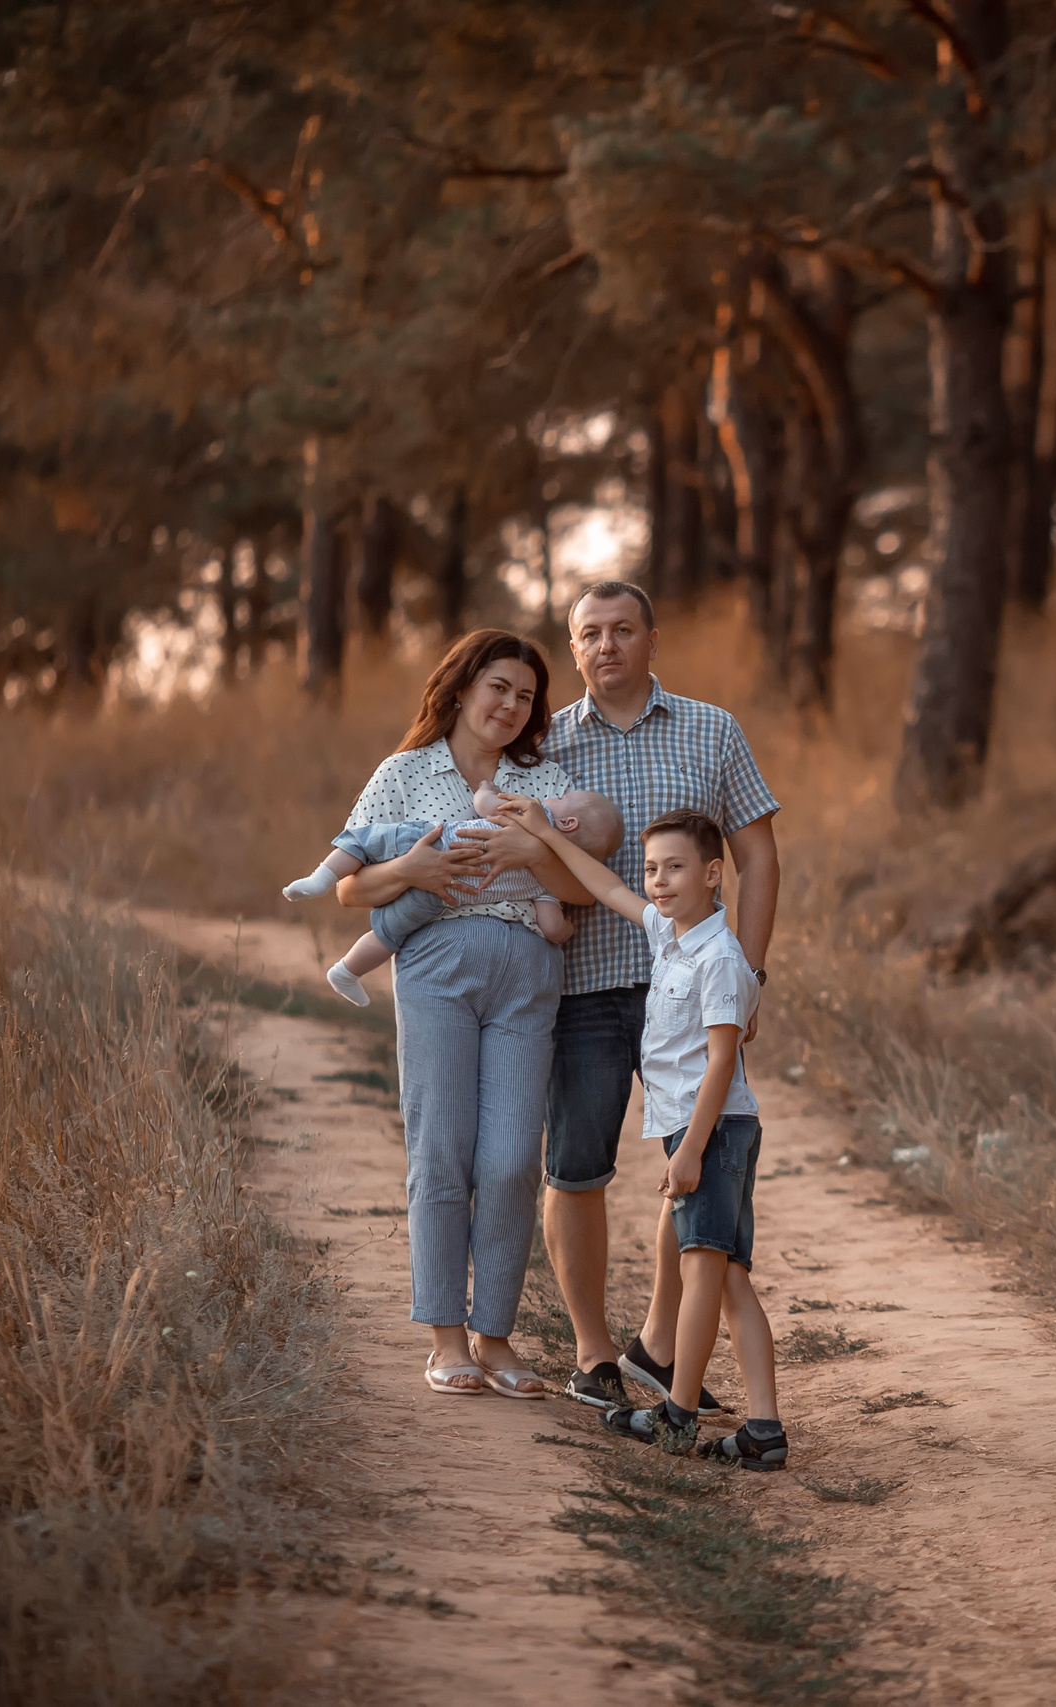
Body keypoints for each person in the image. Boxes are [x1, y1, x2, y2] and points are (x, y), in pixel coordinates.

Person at [539, 579, 782, 1415]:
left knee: (695, 1159)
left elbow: (758, 856)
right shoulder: (544, 745)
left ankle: (656, 1343)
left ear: (652, 640)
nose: (606, 645)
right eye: (590, 633)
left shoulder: (713, 729)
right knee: (577, 1166)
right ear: (574, 648)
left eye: (622, 629)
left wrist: (748, 975)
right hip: (583, 985)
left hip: (689, 992)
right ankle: (593, 1353)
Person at [330, 629, 591, 1400]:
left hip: (528, 974)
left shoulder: (544, 780)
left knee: (511, 1159)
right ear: (461, 686)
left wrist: (533, 852)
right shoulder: (405, 772)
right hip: (437, 967)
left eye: (525, 696)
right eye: (498, 686)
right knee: (442, 1148)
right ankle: (447, 1336)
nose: (511, 705)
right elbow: (349, 886)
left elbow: (581, 887)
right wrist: (410, 867)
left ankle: (495, 1335)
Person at [501, 802, 785, 1468]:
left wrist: (690, 1152)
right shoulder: (670, 935)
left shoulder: (720, 959)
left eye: (675, 868)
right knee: (729, 1277)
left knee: (702, 1269)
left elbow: (723, 1061)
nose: (658, 881)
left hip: (712, 1130)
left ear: (712, 874)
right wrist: (542, 832)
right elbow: (606, 887)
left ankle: (677, 1418)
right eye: (653, 869)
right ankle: (764, 1429)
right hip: (702, 1128)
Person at [281, 778, 623, 1006]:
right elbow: (551, 926)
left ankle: (321, 877)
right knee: (390, 933)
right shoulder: (550, 880)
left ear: (568, 823)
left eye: (562, 799)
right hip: (443, 895)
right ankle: (347, 970)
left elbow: (485, 804)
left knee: (364, 841)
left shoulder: (535, 815)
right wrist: (566, 930)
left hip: (433, 842)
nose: (552, 797)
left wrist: (488, 789)